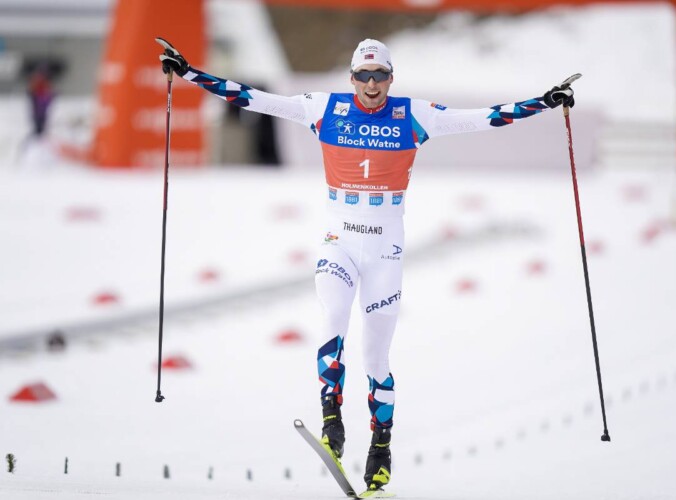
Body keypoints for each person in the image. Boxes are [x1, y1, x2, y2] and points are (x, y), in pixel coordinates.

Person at [158, 37, 575, 492]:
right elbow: (252, 98)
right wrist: (189, 72)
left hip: (385, 252)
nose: (371, 84)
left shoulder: (417, 114)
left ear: (391, 79)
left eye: (380, 76)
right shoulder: (323, 108)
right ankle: (331, 419)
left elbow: (487, 118)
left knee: (376, 355)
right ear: (352, 78)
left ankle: (380, 449)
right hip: (338, 242)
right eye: (363, 75)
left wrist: (546, 102)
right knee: (333, 319)